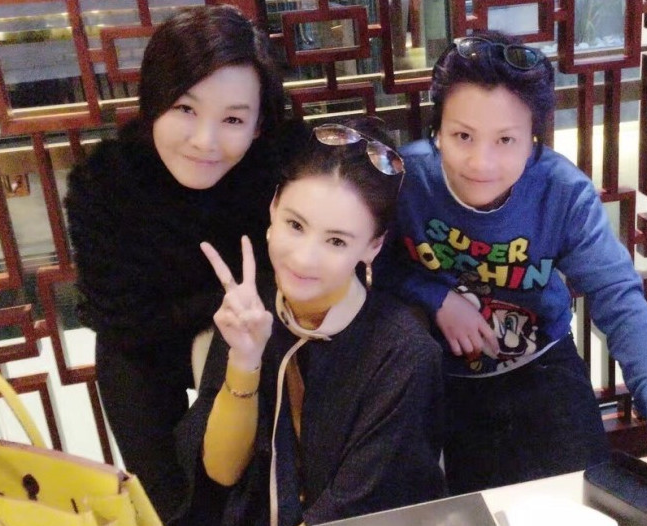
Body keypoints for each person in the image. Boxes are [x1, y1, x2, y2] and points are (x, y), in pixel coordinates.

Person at [376, 30, 647, 495]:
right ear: (437, 130)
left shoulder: (561, 191)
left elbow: (616, 296)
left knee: (584, 498)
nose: (481, 162)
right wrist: (436, 297)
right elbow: (370, 267)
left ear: (533, 138)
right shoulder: (407, 179)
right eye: (462, 135)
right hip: (443, 378)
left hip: (543, 363)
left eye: (506, 140)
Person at [64, 6, 305, 520]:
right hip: (147, 347)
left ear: (259, 125)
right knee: (176, 498)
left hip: (259, 334)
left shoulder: (284, 167)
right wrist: (220, 305)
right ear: (153, 102)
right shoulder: (107, 184)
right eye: (185, 109)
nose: (204, 141)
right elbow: (123, 320)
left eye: (233, 119)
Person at [175, 117, 447, 526]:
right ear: (273, 208)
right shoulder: (251, 307)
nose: (304, 259)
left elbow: (360, 504)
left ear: (373, 246)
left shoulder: (404, 354)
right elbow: (221, 473)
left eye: (336, 241)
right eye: (295, 225)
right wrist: (244, 360)